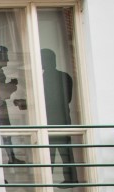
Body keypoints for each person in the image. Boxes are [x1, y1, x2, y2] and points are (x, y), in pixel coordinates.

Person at [40, 48, 77, 184]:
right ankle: (69, 179)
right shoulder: (63, 76)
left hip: (51, 119)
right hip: (61, 118)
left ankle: (49, 181)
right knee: (62, 150)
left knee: (51, 151)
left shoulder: (43, 79)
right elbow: (67, 98)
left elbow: (47, 99)